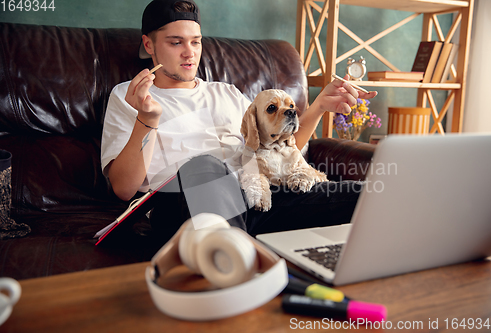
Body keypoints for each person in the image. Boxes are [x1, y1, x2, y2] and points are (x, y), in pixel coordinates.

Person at [101, 0, 377, 241]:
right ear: (149, 44)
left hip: (258, 199)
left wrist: (318, 108)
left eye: (195, 41)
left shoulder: (227, 93)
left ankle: (240, 249)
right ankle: (236, 260)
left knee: (372, 196)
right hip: (184, 207)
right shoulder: (130, 96)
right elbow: (124, 189)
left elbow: (278, 147)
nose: (190, 52)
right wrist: (147, 120)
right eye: (176, 42)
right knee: (205, 165)